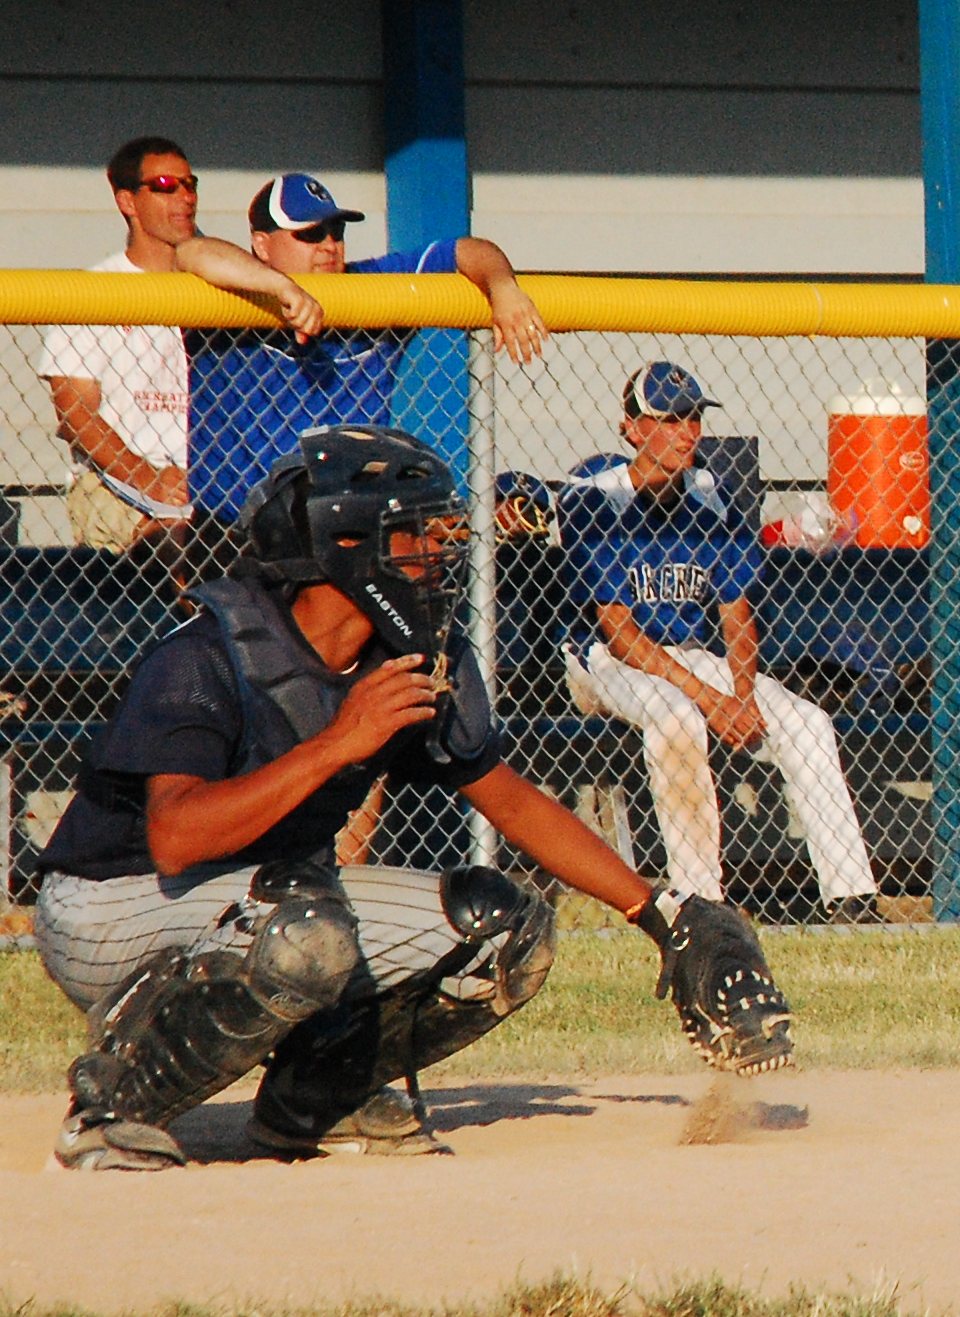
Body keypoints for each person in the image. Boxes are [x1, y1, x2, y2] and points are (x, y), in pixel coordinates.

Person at [31, 426, 792, 1171]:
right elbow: (175, 839)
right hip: (111, 908)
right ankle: (114, 1104)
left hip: (265, 903)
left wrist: (658, 913)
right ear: (346, 544)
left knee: (505, 928)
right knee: (304, 924)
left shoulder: (408, 656)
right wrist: (338, 743)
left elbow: (508, 799)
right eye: (417, 534)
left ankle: (314, 1098)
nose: (441, 551)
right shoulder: (207, 654)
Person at [561, 363, 883, 924]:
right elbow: (620, 634)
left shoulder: (712, 496)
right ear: (632, 428)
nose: (686, 432)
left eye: (692, 418)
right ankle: (701, 904)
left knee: (807, 721)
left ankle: (852, 898)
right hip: (602, 662)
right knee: (678, 718)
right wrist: (715, 701)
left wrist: (743, 696)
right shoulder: (595, 498)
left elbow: (736, 615)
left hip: (685, 655)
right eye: (668, 419)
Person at [181, 173, 549, 532]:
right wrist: (281, 288)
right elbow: (190, 251)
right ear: (262, 245)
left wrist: (503, 286)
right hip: (232, 529)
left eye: (336, 231)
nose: (329, 245)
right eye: (310, 234)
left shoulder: (369, 284)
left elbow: (467, 250)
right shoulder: (229, 291)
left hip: (345, 528)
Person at [36, 137, 325, 554]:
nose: (185, 197)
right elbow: (75, 414)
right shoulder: (94, 290)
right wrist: (147, 477)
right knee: (182, 547)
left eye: (190, 184)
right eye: (165, 185)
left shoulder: (228, 283)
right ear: (127, 201)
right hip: (120, 485)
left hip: (215, 483)